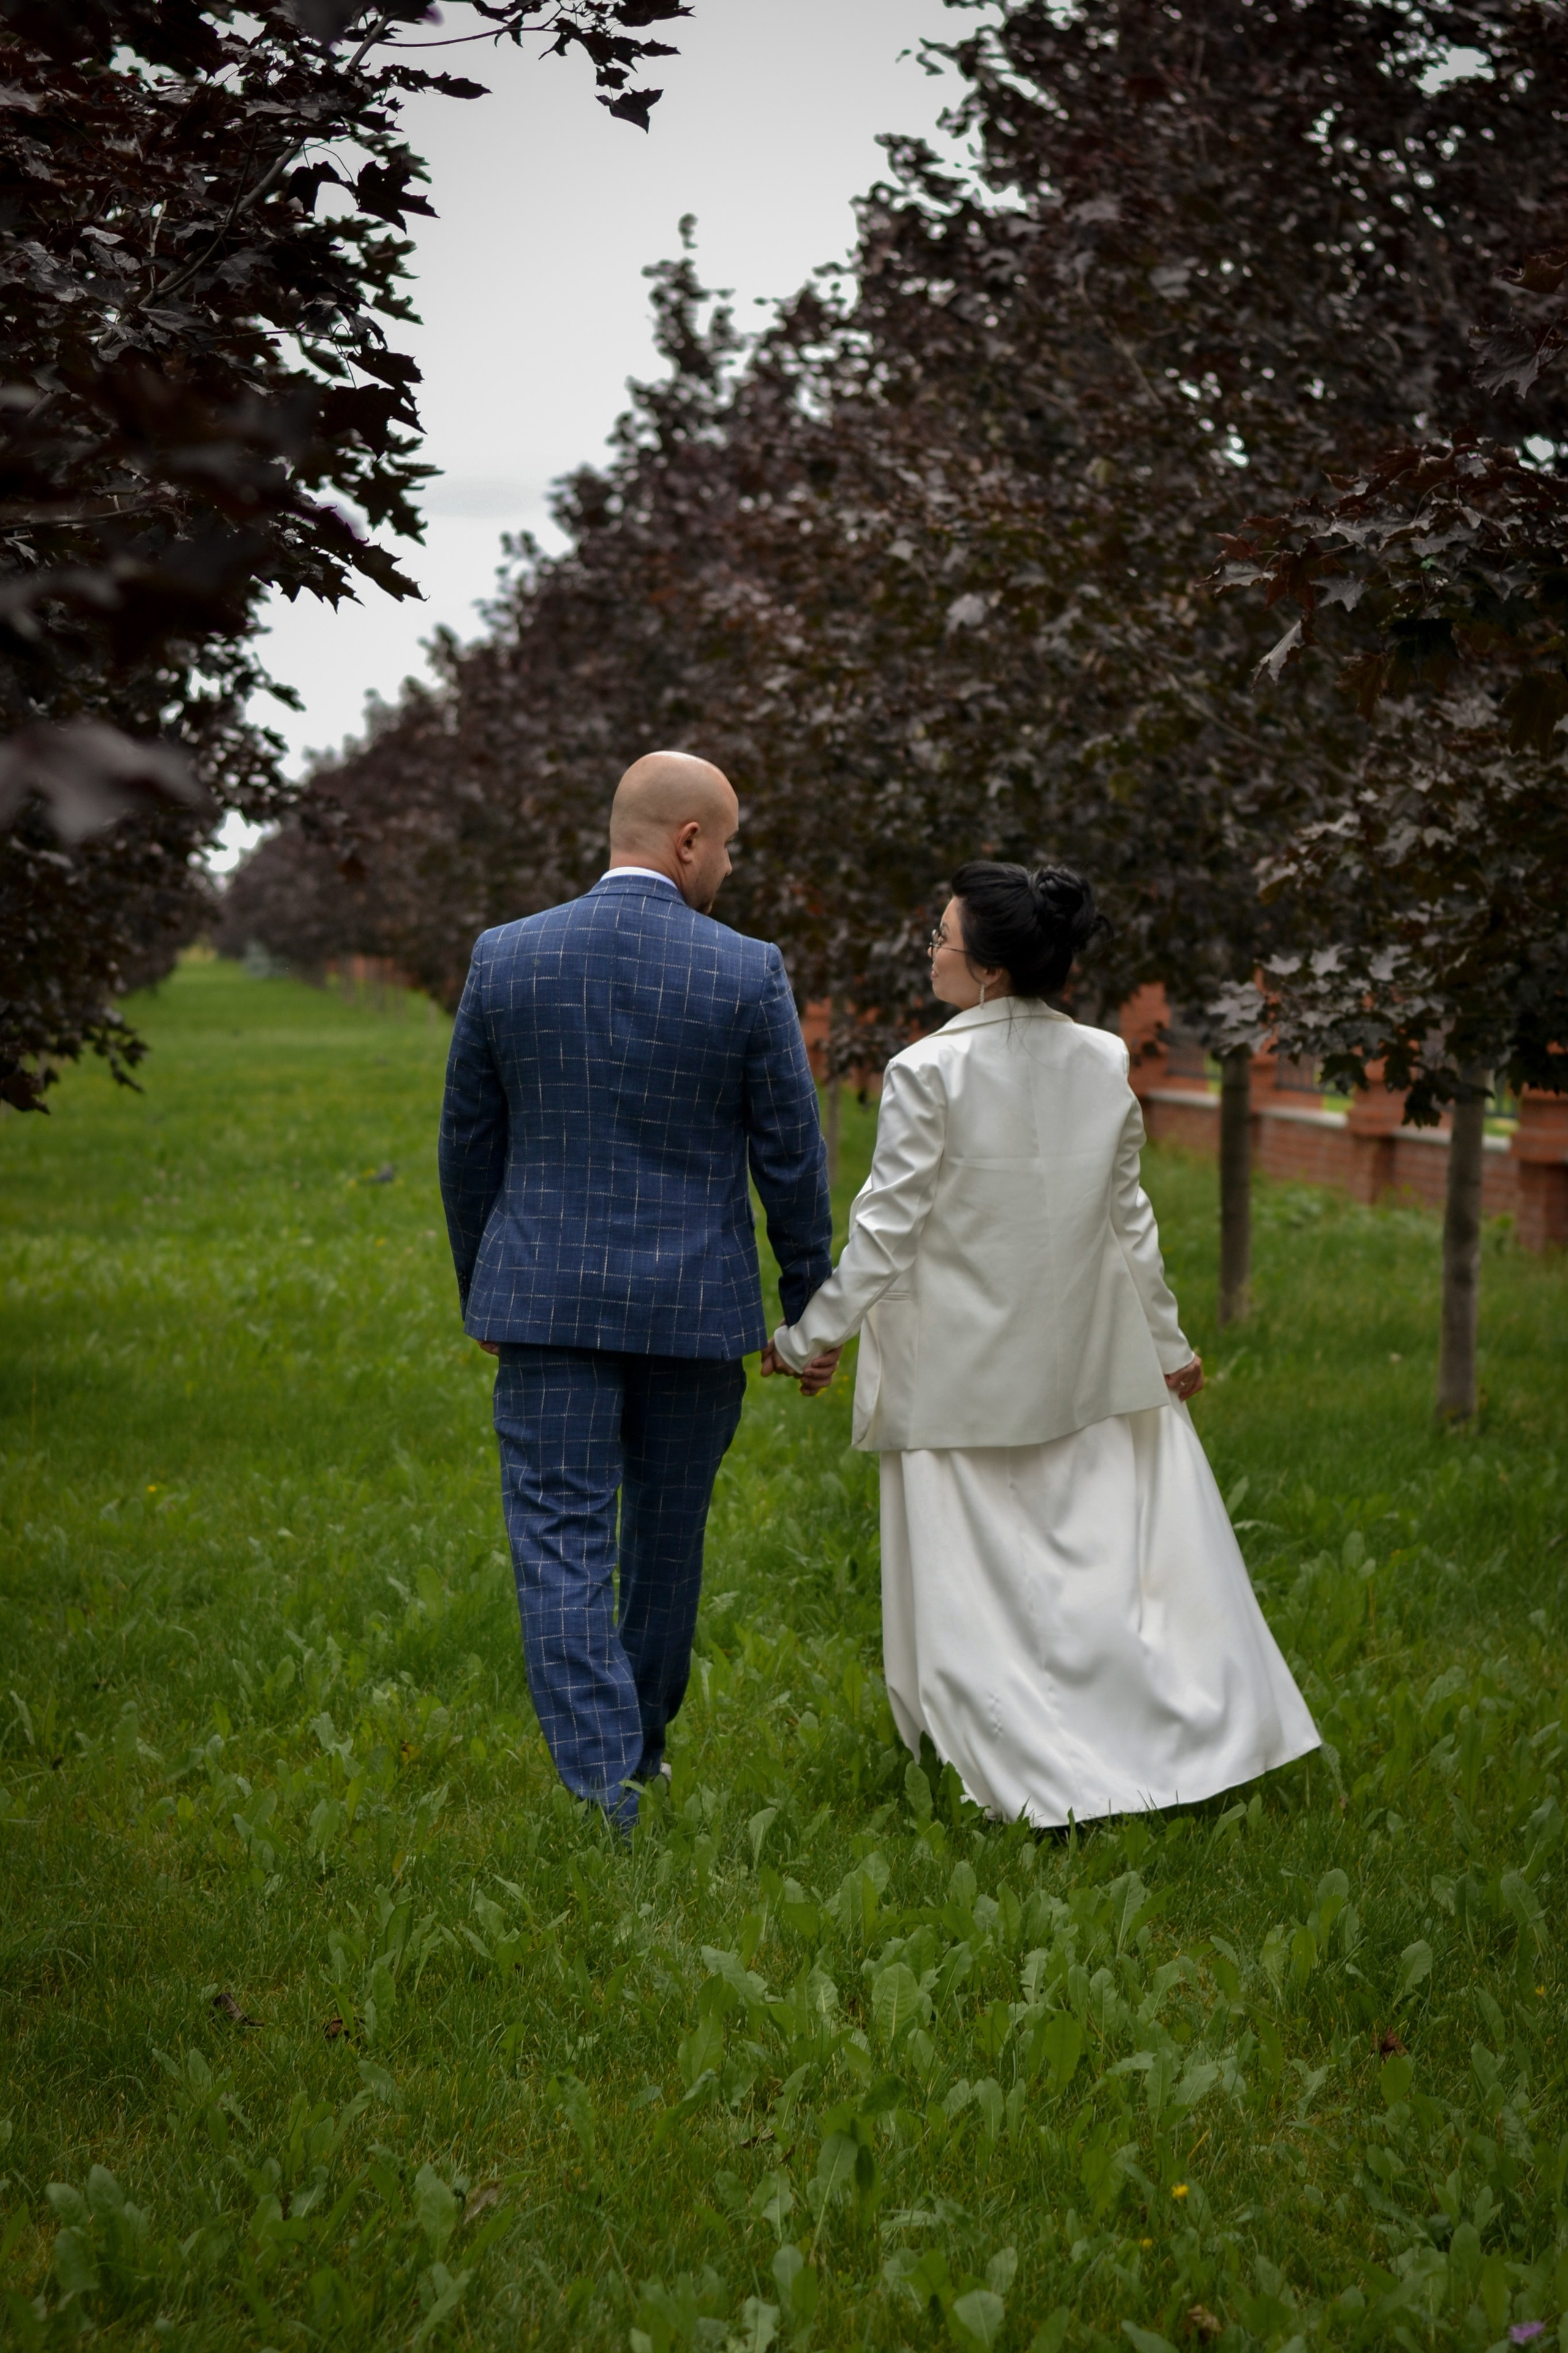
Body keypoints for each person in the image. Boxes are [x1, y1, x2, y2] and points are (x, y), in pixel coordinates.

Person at [766, 861, 1317, 1828]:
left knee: (980, 1591)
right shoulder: (1103, 1059)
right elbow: (1129, 1221)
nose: (929, 950)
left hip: (957, 1377)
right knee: (1091, 1570)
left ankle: (1023, 1768)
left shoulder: (925, 1069)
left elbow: (887, 1231)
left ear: (987, 971)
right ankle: (1145, 1743)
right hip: (1082, 1365)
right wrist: (1168, 1343)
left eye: (940, 937)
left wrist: (809, 1335)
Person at [439, 750, 839, 1830]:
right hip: (693, 1309)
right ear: (688, 841)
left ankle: (607, 1777)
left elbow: (468, 1142)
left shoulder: (507, 957)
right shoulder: (746, 970)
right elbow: (790, 1157)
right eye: (731, 846)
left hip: (545, 1301)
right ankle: (634, 1757)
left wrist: (488, 1282)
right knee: (668, 1538)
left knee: (560, 1540)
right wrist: (811, 1305)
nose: (731, 870)